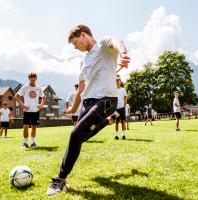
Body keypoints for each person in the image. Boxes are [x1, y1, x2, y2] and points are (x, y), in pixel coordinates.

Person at [46, 24, 130, 196]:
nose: (76, 48)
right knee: (80, 136)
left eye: (76, 43)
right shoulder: (83, 61)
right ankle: (108, 121)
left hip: (106, 100)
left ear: (83, 35)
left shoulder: (104, 44)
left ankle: (60, 180)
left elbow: (117, 42)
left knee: (75, 135)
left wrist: (124, 55)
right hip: (87, 102)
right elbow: (81, 89)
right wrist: (73, 108)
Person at [14, 73, 46, 148]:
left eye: (34, 77)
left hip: (35, 111)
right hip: (27, 111)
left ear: (36, 78)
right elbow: (16, 96)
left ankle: (33, 143)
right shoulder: (24, 87)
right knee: (25, 126)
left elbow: (44, 97)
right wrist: (22, 105)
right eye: (31, 77)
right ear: (29, 78)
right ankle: (25, 143)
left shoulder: (38, 88)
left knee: (34, 127)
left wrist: (41, 105)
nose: (32, 78)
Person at [114, 76, 128, 140]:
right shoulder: (113, 89)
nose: (117, 81)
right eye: (116, 80)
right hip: (115, 109)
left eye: (118, 80)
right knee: (116, 122)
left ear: (120, 81)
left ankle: (123, 135)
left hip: (122, 108)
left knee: (123, 121)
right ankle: (116, 135)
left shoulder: (123, 89)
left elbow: (125, 98)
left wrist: (124, 106)